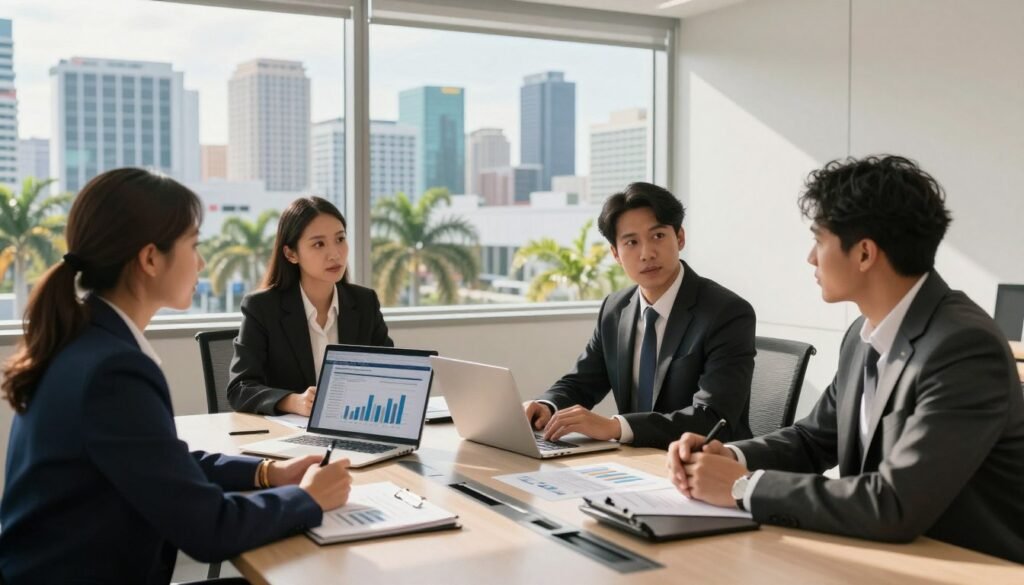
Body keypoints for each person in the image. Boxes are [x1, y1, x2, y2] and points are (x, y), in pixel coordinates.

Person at [0, 169, 353, 584]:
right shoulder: (113, 371)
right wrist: (307, 498)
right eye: (194, 245)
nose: (201, 261)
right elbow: (210, 529)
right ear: (151, 259)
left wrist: (266, 473)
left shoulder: (86, 341)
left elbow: (163, 462)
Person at [667, 155, 1024, 563]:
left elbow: (894, 504)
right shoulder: (862, 333)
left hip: (962, 567)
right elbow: (812, 440)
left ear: (865, 254)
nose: (811, 258)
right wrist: (728, 457)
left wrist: (743, 487)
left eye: (819, 240)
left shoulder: (963, 347)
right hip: (877, 557)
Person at [524, 182, 756, 449]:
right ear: (615, 254)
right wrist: (547, 405)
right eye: (631, 242)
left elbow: (713, 419)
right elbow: (581, 382)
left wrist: (615, 426)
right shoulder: (615, 309)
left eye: (658, 236)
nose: (646, 254)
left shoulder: (726, 312)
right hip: (634, 464)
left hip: (704, 465)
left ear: (680, 238)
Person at [228, 196, 393, 415]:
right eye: (319, 244)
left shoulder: (364, 303)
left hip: (353, 424)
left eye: (340, 239)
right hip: (288, 435)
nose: (335, 254)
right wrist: (293, 402)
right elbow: (240, 388)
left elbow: (390, 373)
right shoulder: (262, 307)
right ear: (291, 253)